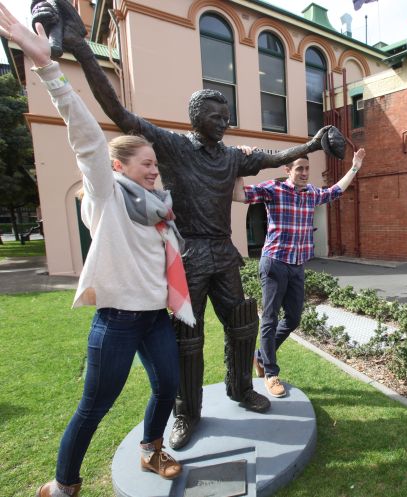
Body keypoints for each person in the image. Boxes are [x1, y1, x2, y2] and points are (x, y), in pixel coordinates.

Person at [29, 0, 341, 450]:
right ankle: (186, 412)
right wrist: (79, 48)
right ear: (197, 118)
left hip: (223, 251)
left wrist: (311, 143)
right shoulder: (174, 148)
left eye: (226, 114)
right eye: (217, 114)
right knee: (187, 338)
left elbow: (271, 157)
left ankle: (240, 386)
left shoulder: (231, 156)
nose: (224, 119)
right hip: (190, 254)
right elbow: (119, 112)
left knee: (241, 323)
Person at [0, 5, 189, 496]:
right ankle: (63, 485)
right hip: (119, 320)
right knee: (95, 406)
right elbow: (86, 137)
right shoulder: (106, 195)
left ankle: (151, 448)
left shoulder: (158, 208)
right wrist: (48, 67)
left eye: (156, 164)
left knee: (169, 385)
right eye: (147, 163)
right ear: (121, 166)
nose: (155, 170)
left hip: (154, 318)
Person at [247, 149, 365, 397]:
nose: (303, 173)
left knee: (293, 319)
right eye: (298, 168)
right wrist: (237, 165)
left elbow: (336, 190)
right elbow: (241, 194)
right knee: (269, 318)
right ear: (287, 170)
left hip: (297, 265)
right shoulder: (273, 189)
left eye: (306, 168)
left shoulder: (312, 194)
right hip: (275, 262)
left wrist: (354, 167)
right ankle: (270, 372)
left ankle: (259, 357)